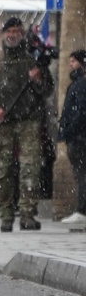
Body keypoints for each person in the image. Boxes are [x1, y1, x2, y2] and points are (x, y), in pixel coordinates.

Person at [0, 15, 53, 232]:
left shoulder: (32, 57)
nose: (12, 34)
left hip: (28, 120)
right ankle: (6, 216)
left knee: (30, 168)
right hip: (2, 121)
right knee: (3, 171)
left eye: (16, 31)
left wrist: (38, 78)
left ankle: (27, 214)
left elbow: (47, 90)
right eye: (8, 31)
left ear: (22, 34)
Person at [59, 50, 86, 228]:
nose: (70, 64)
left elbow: (80, 112)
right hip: (76, 136)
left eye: (74, 61)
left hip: (79, 138)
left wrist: (68, 131)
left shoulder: (81, 84)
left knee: (82, 175)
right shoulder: (77, 83)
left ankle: (82, 211)